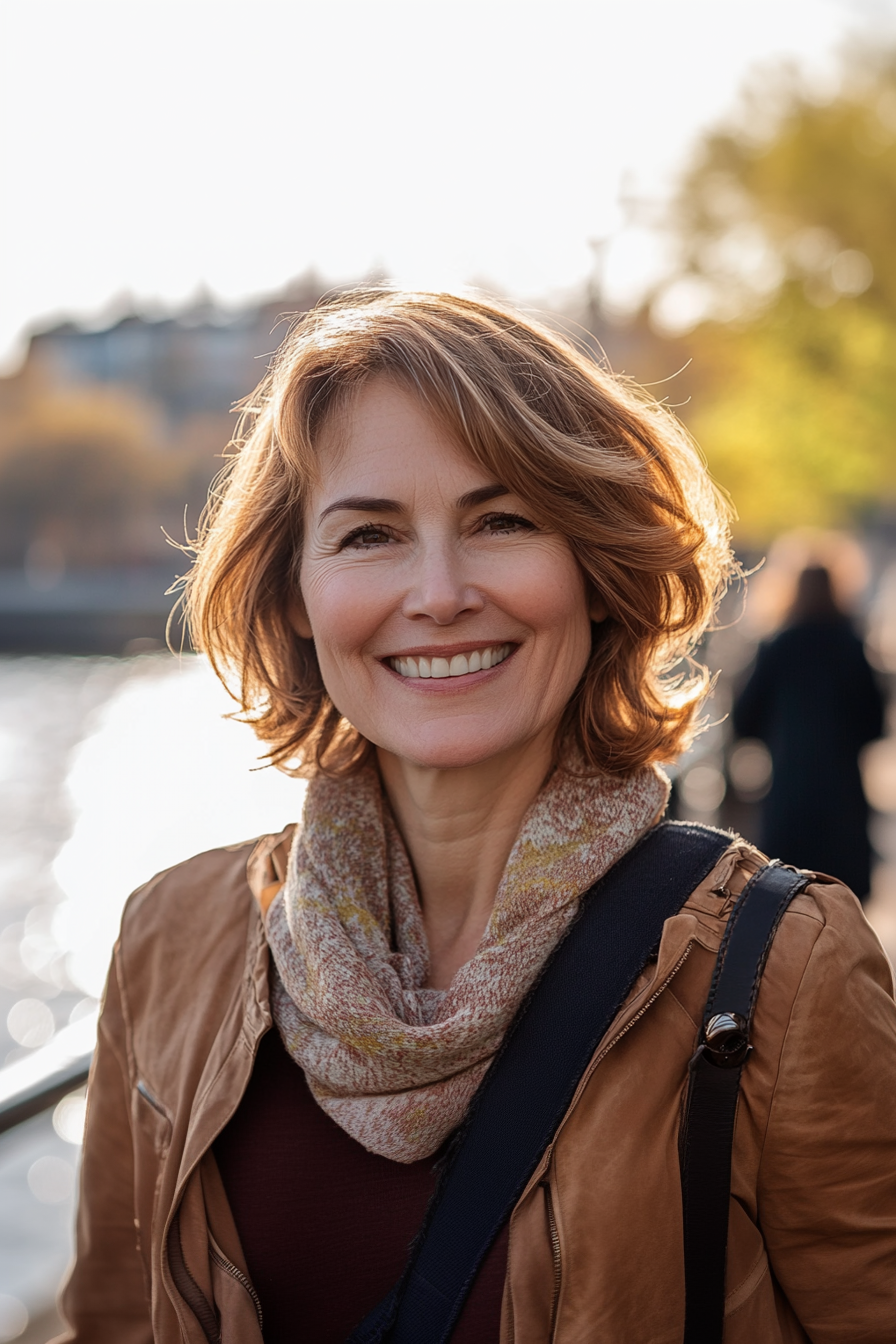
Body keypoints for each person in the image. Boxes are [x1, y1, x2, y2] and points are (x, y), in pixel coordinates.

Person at [55, 291, 896, 1344]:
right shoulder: (172, 941)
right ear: (294, 598)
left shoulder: (780, 969)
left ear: (595, 569)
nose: (440, 592)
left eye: (500, 522)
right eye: (369, 535)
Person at [733, 564, 886, 901]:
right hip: (843, 802)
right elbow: (875, 725)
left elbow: (743, 720)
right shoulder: (852, 646)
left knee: (789, 907)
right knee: (846, 909)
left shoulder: (777, 646)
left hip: (790, 797)